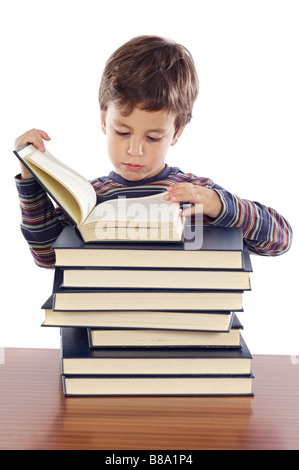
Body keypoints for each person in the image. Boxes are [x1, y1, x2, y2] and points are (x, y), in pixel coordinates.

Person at [14, 35, 292, 269]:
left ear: (177, 132)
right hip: (110, 327)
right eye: (122, 132)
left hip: (189, 327)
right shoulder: (88, 201)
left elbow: (280, 240)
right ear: (103, 121)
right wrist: (30, 178)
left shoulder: (197, 195)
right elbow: (47, 256)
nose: (135, 150)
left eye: (154, 137)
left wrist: (219, 205)